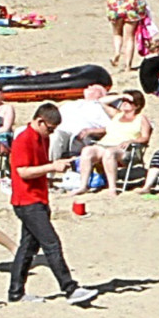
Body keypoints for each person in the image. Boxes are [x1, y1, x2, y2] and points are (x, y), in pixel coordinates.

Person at [6, 102, 96, 305]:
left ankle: (16, 292)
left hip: (38, 198)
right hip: (26, 201)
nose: (51, 133)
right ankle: (69, 288)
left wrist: (54, 172)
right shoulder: (24, 139)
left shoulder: (42, 138)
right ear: (39, 121)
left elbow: (38, 168)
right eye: (49, 128)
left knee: (27, 248)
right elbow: (22, 171)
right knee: (51, 243)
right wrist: (52, 167)